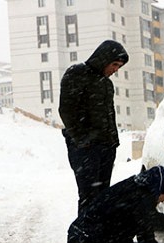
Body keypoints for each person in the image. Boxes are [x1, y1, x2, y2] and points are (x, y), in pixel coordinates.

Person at [59, 40, 129, 216]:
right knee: (89, 197)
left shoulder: (107, 84)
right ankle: (83, 239)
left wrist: (113, 142)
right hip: (85, 150)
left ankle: (100, 238)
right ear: (103, 59)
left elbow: (109, 114)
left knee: (103, 195)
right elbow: (66, 110)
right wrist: (83, 141)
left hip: (106, 147)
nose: (116, 70)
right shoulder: (77, 73)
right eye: (114, 64)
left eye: (119, 66)